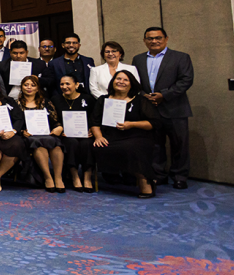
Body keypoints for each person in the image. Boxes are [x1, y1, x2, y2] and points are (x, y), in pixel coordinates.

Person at [132, 27, 193, 189]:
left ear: (166, 39)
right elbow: (134, 82)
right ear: (144, 41)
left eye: (158, 38)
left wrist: (163, 95)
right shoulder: (138, 59)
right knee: (155, 145)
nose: (154, 41)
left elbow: (185, 80)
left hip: (175, 108)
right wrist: (145, 96)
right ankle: (158, 175)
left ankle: (179, 176)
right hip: (149, 110)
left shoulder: (181, 57)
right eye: (150, 38)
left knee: (179, 145)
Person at [90, 70, 160, 198]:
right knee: (96, 146)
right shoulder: (103, 100)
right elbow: (94, 122)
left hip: (136, 137)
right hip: (110, 137)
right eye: (118, 79)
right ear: (113, 81)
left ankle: (146, 183)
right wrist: (98, 137)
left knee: (132, 148)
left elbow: (153, 123)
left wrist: (131, 124)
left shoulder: (140, 100)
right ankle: (111, 177)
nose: (121, 82)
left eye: (125, 80)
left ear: (131, 84)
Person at [16, 75, 66, 192]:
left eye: (33, 85)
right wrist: (22, 131)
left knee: (56, 144)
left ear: (38, 88)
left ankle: (58, 178)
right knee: (38, 144)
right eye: (26, 85)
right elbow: (14, 123)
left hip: (46, 134)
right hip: (28, 137)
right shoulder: (16, 104)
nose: (29, 87)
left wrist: (59, 128)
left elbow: (55, 121)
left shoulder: (46, 102)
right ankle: (48, 177)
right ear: (21, 87)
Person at [51, 75, 94, 192]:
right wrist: (60, 129)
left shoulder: (88, 99)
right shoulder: (55, 100)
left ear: (76, 85)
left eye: (68, 84)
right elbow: (53, 119)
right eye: (62, 84)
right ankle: (75, 176)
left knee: (87, 144)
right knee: (71, 143)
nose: (64, 87)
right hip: (66, 135)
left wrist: (91, 129)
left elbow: (94, 117)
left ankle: (87, 177)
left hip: (85, 134)